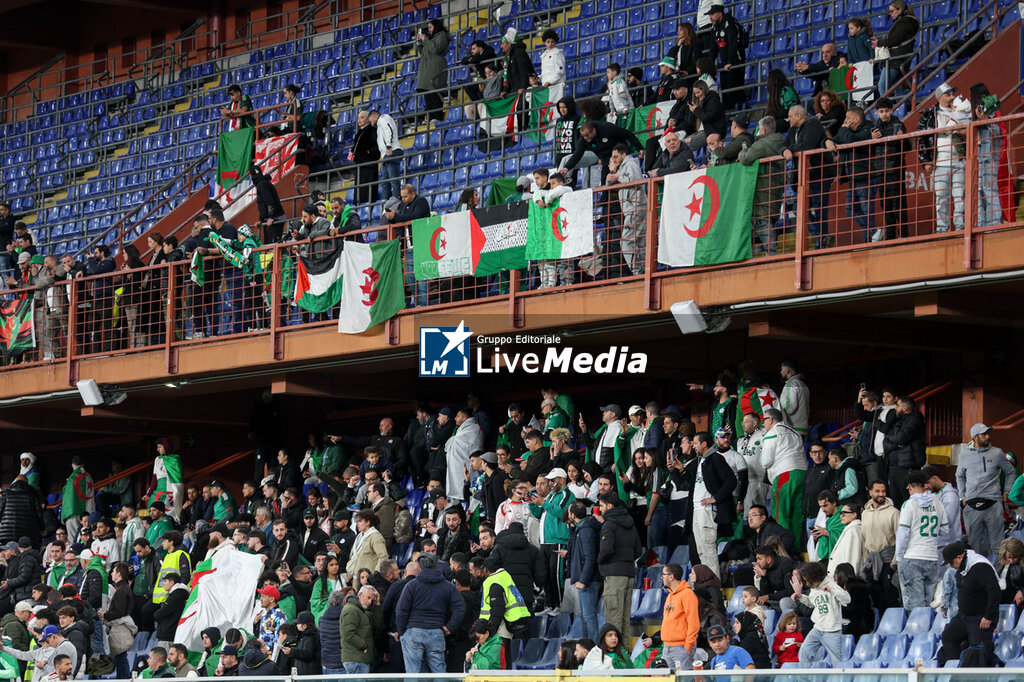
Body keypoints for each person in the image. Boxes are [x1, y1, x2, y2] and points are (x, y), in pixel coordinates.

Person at [395, 553, 465, 673]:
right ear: (436, 566)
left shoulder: (411, 585)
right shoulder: (448, 586)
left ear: (420, 568)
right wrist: (449, 627)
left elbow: (401, 611)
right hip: (437, 632)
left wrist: (401, 631)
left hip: (413, 632)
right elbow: (460, 607)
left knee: (413, 674)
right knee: (439, 673)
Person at [917, 83, 971, 233]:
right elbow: (921, 140)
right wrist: (925, 161)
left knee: (960, 197)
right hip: (940, 163)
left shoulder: (964, 111)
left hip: (960, 161)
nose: (953, 97)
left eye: (953, 94)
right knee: (941, 198)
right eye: (949, 95)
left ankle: (960, 228)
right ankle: (943, 230)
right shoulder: (929, 115)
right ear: (939, 98)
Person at [955, 424, 1014, 558]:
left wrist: (1007, 492)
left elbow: (1010, 472)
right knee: (973, 546)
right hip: (971, 505)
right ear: (975, 437)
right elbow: (959, 476)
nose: (988, 436)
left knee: (998, 546)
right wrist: (962, 496)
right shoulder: (964, 455)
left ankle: (998, 577)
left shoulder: (997, 453)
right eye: (984, 434)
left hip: (994, 504)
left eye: (988, 433)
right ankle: (977, 576)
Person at [782, 106, 835, 249]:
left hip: (819, 174)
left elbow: (806, 146)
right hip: (804, 177)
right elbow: (783, 144)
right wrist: (785, 150)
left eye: (790, 116)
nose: (788, 119)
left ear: (799, 116)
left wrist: (790, 149)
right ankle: (822, 237)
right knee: (799, 210)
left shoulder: (813, 123)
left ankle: (822, 244)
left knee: (819, 209)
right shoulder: (794, 128)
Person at [939, 540, 999, 666]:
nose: (951, 566)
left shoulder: (981, 566)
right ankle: (956, 669)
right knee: (948, 637)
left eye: (952, 562)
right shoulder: (961, 569)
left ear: (960, 557)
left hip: (980, 617)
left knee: (977, 649)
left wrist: (988, 616)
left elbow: (994, 592)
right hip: (963, 616)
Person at [828, 107, 874, 242]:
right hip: (853, 178)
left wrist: (843, 129)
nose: (845, 121)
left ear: (857, 119)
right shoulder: (847, 131)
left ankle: (871, 240)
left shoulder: (868, 129)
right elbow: (834, 139)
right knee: (850, 209)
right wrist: (827, 141)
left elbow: (851, 141)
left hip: (865, 176)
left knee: (867, 211)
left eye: (848, 118)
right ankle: (874, 233)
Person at [759, 409, 807, 540]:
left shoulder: (772, 433)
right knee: (796, 514)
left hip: (784, 474)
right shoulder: (795, 432)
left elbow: (766, 461)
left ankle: (782, 550)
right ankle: (795, 548)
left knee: (781, 513)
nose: (763, 423)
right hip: (802, 473)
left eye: (764, 420)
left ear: (771, 420)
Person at [791, 561, 850, 666]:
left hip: (832, 630)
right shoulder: (814, 588)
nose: (807, 584)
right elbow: (811, 603)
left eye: (809, 581)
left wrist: (832, 591)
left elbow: (847, 599)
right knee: (804, 653)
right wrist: (800, 596)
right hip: (817, 628)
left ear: (816, 578)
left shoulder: (831, 584)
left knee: (837, 662)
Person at [869, 99, 911, 241]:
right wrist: (872, 140)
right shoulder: (874, 128)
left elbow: (908, 147)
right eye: (881, 112)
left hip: (895, 169)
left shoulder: (899, 125)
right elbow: (870, 151)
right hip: (881, 172)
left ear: (892, 110)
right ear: (876, 113)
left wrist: (902, 139)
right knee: (885, 205)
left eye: (887, 111)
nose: (884, 114)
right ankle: (891, 236)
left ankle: (904, 235)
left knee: (899, 203)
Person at [565, 501, 601, 641]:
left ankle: (593, 650)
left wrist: (583, 580)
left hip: (588, 581)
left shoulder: (586, 530)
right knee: (585, 617)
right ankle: (588, 649)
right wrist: (571, 529)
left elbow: (590, 557)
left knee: (589, 617)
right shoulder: (581, 529)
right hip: (585, 580)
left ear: (573, 515)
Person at [883, 396, 926, 508]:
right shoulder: (898, 421)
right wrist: (896, 443)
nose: (895, 409)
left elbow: (901, 437)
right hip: (894, 467)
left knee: (908, 503)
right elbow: (885, 442)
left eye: (897, 406)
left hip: (907, 467)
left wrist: (895, 439)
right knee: (896, 503)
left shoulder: (916, 420)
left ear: (905, 407)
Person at [872, 0, 919, 96]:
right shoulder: (906, 21)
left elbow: (894, 41)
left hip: (896, 59)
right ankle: (900, 109)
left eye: (892, 11)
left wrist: (878, 43)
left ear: (900, 10)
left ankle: (885, 108)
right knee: (897, 87)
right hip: (899, 58)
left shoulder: (905, 22)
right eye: (889, 12)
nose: (890, 14)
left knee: (882, 86)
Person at [706, 4, 747, 108]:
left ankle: (737, 111)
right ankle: (729, 112)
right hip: (725, 63)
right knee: (725, 90)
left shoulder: (730, 23)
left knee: (733, 89)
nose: (710, 17)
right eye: (709, 14)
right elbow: (713, 48)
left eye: (712, 14)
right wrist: (708, 66)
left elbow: (734, 44)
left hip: (735, 61)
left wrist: (730, 61)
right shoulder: (714, 27)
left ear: (720, 13)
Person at [661, 563, 699, 669]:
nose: (661, 577)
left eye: (663, 574)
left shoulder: (687, 594)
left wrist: (688, 646)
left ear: (671, 576)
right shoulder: (669, 595)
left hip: (681, 647)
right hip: (667, 647)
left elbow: (694, 622)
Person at [416, 19, 449, 123]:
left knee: (434, 92)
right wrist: (420, 43)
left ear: (436, 27)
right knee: (427, 92)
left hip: (435, 68)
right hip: (427, 68)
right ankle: (430, 117)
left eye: (430, 27)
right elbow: (424, 51)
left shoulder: (442, 36)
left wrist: (425, 40)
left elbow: (435, 49)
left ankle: (437, 116)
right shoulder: (431, 38)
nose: (429, 30)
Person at [369, 110, 402, 202]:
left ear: (374, 117)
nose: (371, 124)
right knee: (385, 181)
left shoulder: (383, 118)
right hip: (386, 155)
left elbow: (389, 129)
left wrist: (388, 146)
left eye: (371, 121)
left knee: (393, 178)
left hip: (391, 151)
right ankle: (385, 202)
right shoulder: (379, 124)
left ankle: (396, 199)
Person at [349, 110, 380, 205]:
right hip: (360, 164)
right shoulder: (360, 132)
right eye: (358, 117)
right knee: (360, 188)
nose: (359, 120)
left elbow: (377, 145)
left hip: (368, 164)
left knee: (367, 189)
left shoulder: (372, 130)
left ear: (367, 119)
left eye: (362, 117)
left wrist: (368, 152)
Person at [538, 30, 566, 105]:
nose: (550, 44)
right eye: (548, 41)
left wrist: (550, 81)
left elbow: (560, 71)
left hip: (556, 87)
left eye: (552, 42)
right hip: (547, 88)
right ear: (544, 42)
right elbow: (545, 72)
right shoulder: (543, 56)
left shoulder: (557, 53)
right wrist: (539, 78)